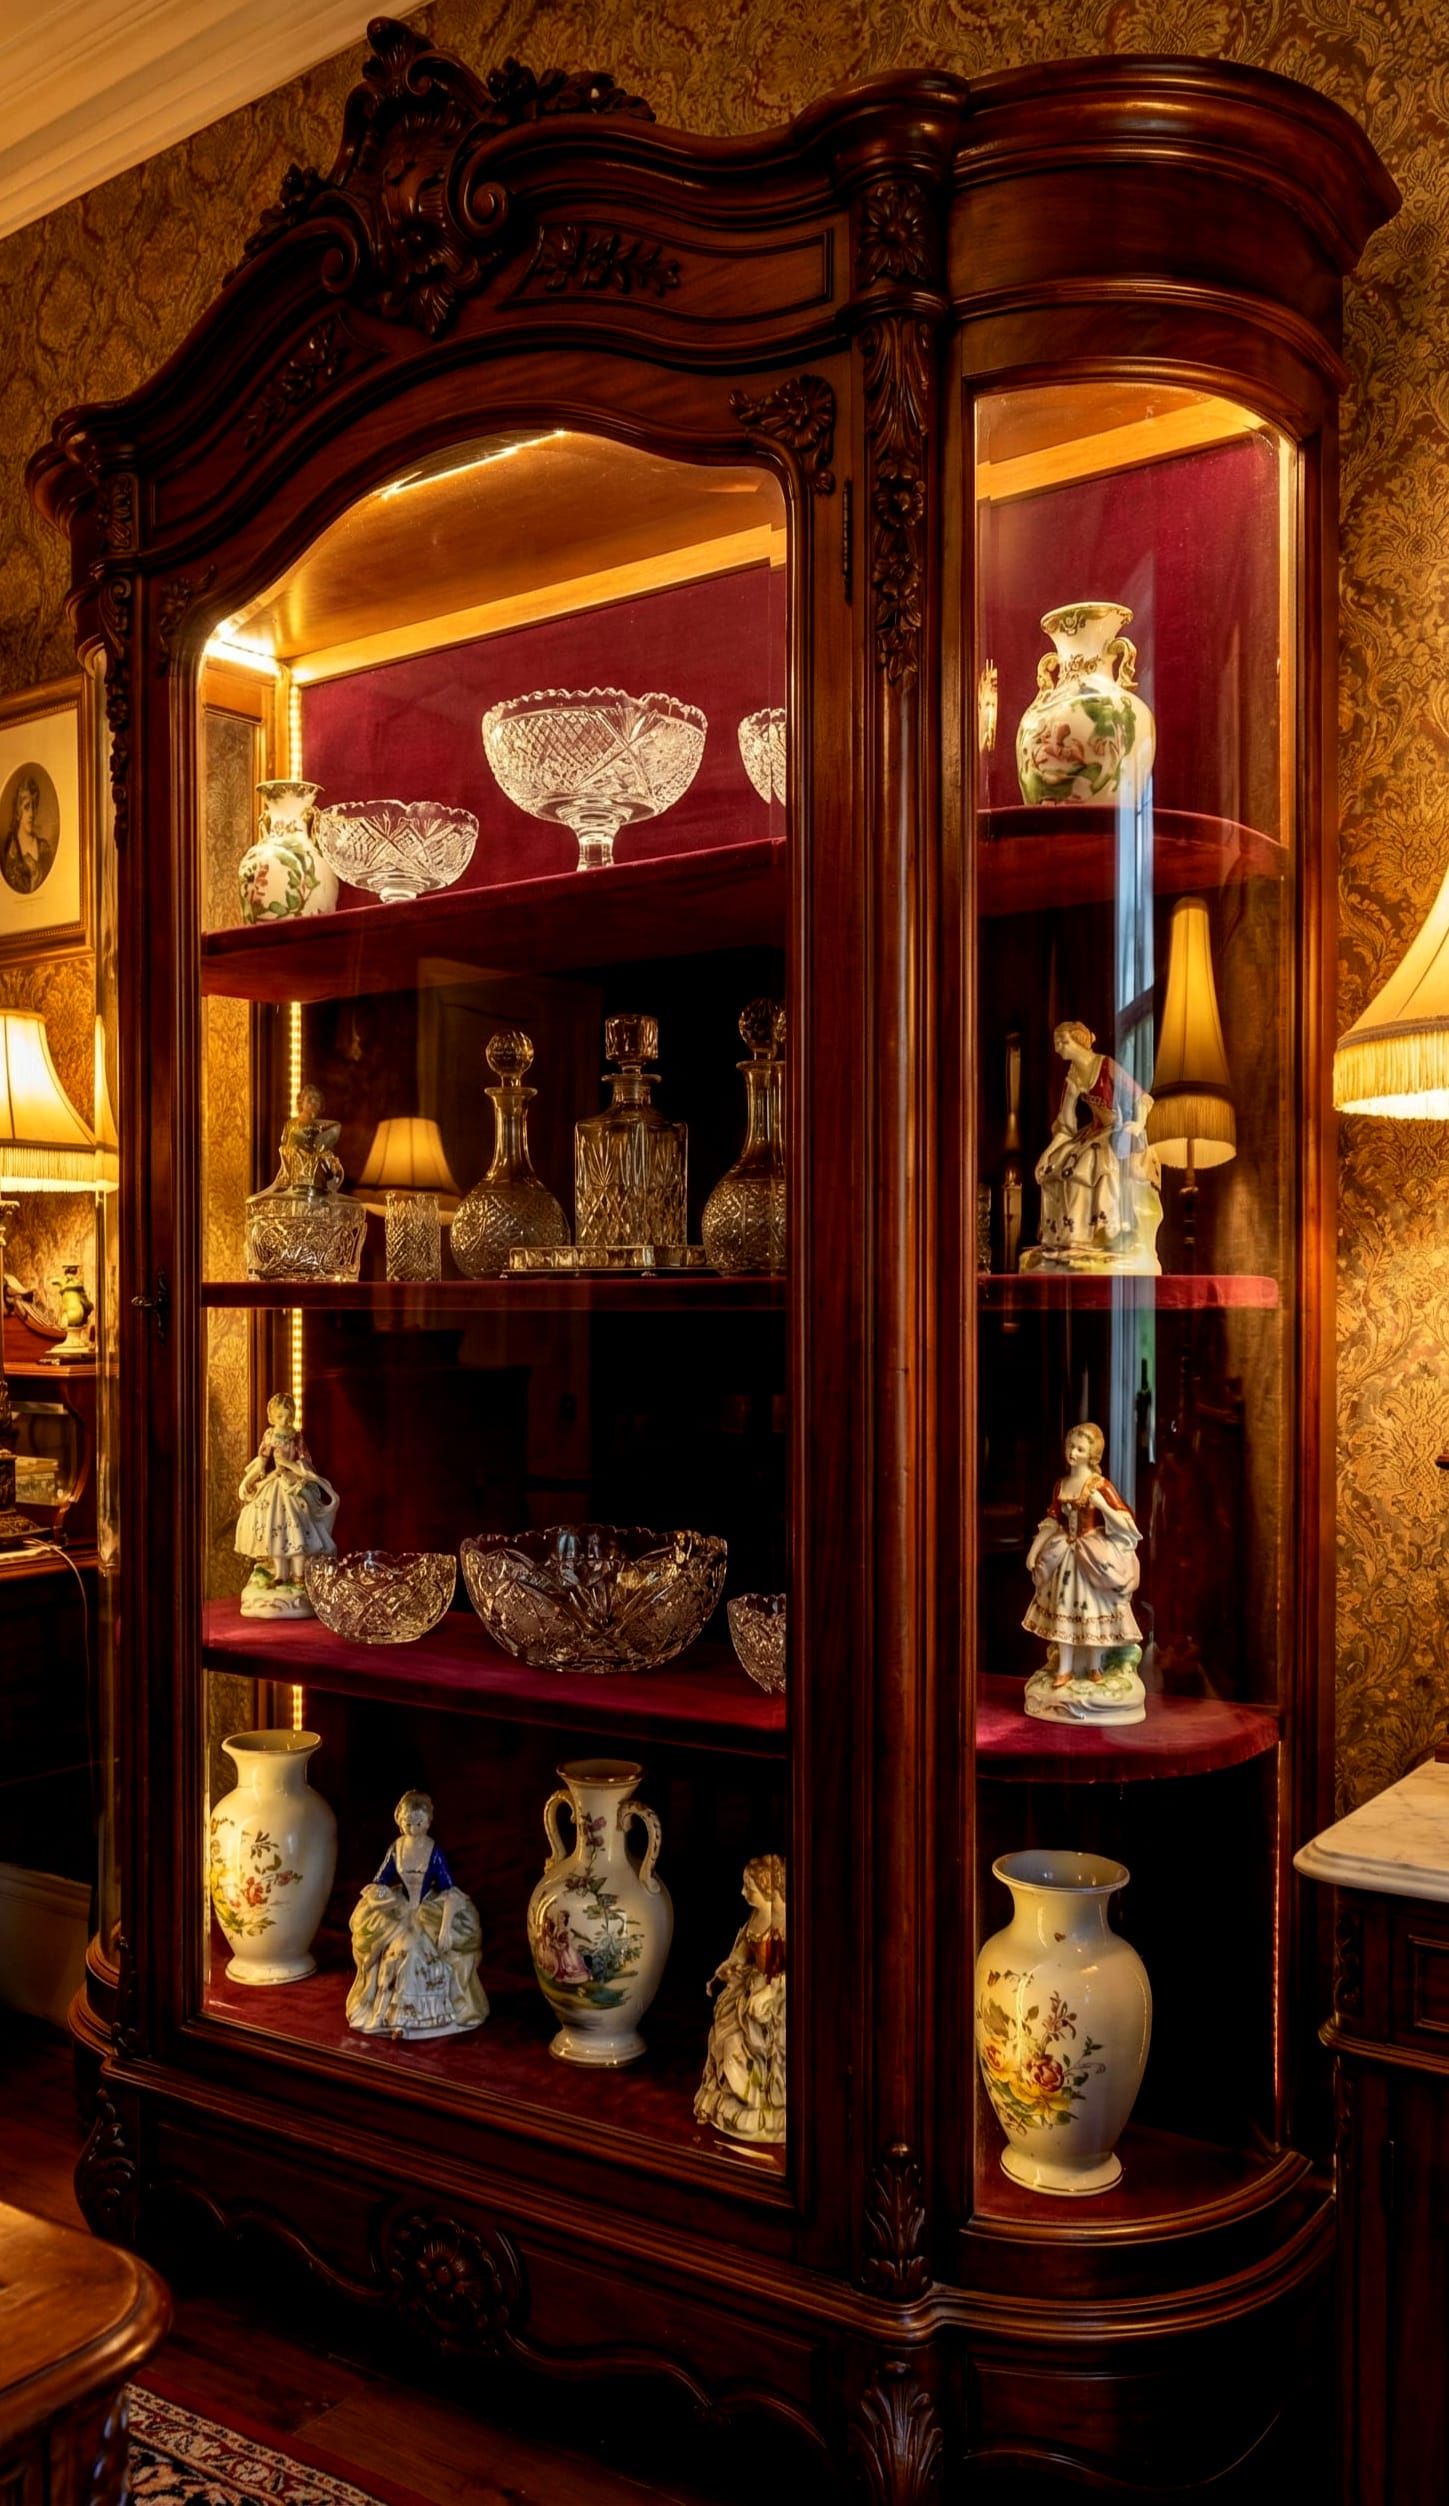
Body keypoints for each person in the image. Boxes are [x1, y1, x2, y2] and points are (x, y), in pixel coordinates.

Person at [1022, 1422, 1147, 1725]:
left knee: (1093, 1611)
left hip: (1093, 1557)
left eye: (1080, 1448)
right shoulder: (1061, 1485)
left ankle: (1095, 1666)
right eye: (1070, 1447)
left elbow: (1126, 1523)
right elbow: (1051, 1521)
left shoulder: (1099, 1485)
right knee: (1063, 1610)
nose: (1072, 1453)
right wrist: (1034, 1551)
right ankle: (1064, 1668)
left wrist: (1102, 1504)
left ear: (1093, 1455)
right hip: (1065, 1557)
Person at [347, 1791, 490, 2040]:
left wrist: (445, 1928)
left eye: (418, 1823)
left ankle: (419, 2018)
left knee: (415, 1953)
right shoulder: (396, 1848)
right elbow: (380, 1879)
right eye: (407, 1824)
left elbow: (450, 1892)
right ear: (399, 1821)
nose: (413, 1829)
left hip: (428, 1911)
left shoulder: (434, 1851)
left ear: (429, 1821)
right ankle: (388, 2016)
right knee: (392, 1952)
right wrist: (379, 1898)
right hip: (400, 1908)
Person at [1025, 1020, 1161, 1272]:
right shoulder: (1074, 1075)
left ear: (1078, 1041)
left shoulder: (1106, 1065)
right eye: (1057, 1043)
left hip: (1119, 1130)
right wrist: (1048, 1153)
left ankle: (1103, 1231)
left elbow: (1139, 1096)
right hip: (1094, 1131)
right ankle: (1067, 1238)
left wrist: (1138, 1124)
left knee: (1085, 1166)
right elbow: (1066, 1123)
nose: (1059, 1049)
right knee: (1057, 1167)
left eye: (1063, 1042)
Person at [694, 1853, 786, 2145]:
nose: (744, 1893)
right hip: (752, 1987)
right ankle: (739, 2098)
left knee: (759, 2042)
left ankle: (765, 2103)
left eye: (750, 1888)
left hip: (779, 1995)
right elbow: (744, 1950)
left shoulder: (789, 1922)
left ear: (768, 1888)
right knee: (724, 2034)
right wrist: (730, 1964)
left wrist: (770, 1991)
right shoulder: (757, 1917)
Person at [234, 1391, 339, 1615]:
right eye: (279, 1416)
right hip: (275, 1484)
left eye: (287, 1416)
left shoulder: (296, 1437)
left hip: (291, 1484)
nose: (284, 1421)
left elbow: (305, 1464)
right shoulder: (270, 1435)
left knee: (296, 1527)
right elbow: (261, 1463)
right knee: (275, 1529)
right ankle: (281, 1574)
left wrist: (293, 1470)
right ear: (272, 1417)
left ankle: (299, 1576)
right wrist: (247, 1480)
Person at [1, 774, 55, 895]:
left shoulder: (44, 847)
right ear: (18, 810)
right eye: (26, 807)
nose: (31, 813)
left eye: (34, 806)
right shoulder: (10, 849)